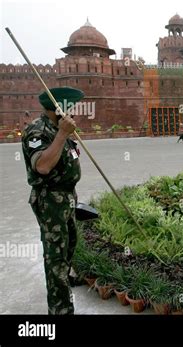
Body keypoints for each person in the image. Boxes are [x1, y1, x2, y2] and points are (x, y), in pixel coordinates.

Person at [22, 87, 84, 314]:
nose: (72, 113)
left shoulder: (59, 128)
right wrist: (61, 136)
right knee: (55, 256)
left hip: (66, 198)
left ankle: (64, 281)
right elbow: (43, 166)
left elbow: (71, 155)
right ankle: (60, 309)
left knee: (69, 246)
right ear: (57, 108)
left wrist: (68, 140)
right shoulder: (37, 131)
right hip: (50, 202)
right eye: (69, 108)